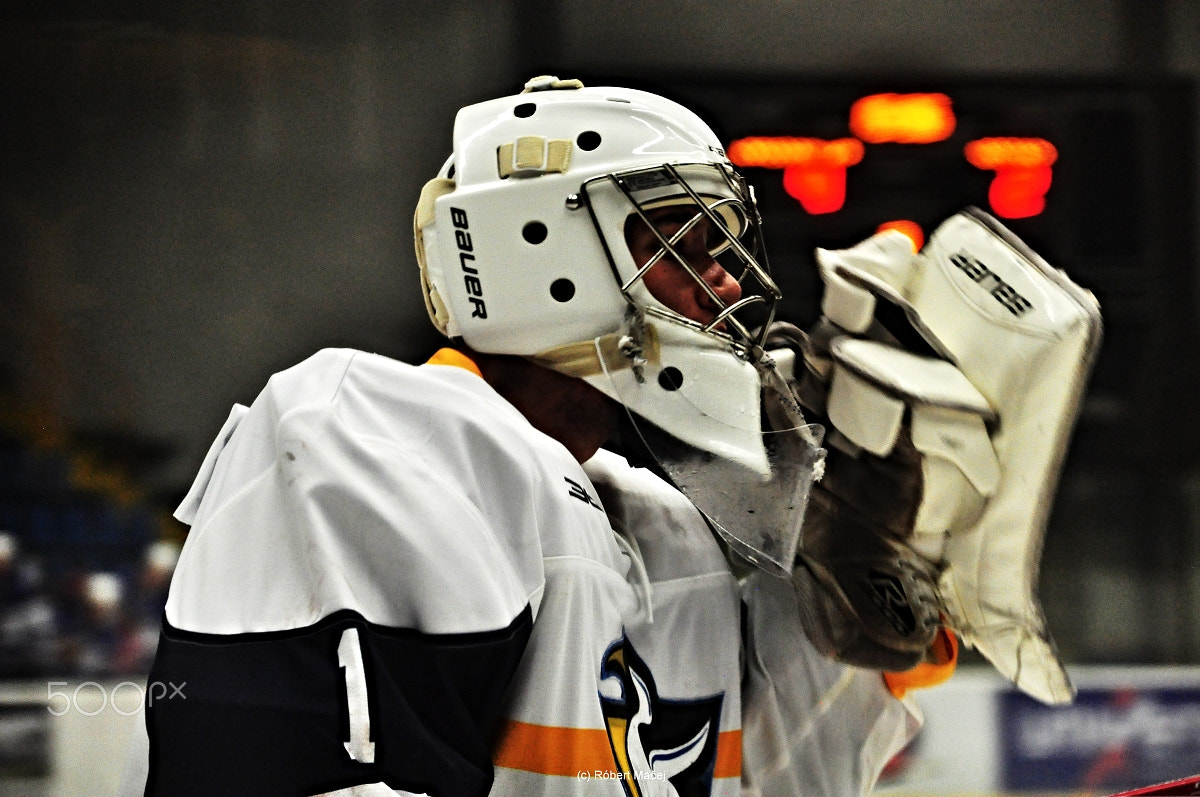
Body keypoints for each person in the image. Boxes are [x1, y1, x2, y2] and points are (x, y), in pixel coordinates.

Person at [122, 76, 955, 797]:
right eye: (682, 242)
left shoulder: (669, 534)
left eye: (721, 247)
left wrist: (859, 571)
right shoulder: (380, 437)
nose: (728, 281)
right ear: (537, 248)